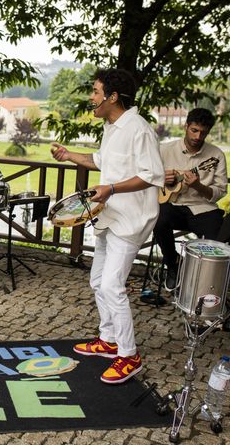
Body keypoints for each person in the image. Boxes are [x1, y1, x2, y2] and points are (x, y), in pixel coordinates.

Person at [51, 68, 164, 384]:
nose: (92, 97)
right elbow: (102, 161)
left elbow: (151, 175)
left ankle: (129, 355)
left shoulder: (139, 129)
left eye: (96, 91)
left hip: (131, 220)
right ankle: (109, 339)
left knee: (113, 285)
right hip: (109, 215)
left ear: (113, 97)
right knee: (98, 280)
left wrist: (112, 188)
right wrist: (68, 154)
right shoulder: (112, 126)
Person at [153, 108, 227, 290]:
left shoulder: (216, 155)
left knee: (219, 237)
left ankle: (206, 283)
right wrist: (161, 178)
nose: (197, 136)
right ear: (186, 126)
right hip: (172, 204)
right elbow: (148, 178)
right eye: (194, 130)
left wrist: (198, 186)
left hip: (203, 208)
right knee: (157, 219)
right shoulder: (164, 150)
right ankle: (173, 265)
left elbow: (220, 191)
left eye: (203, 132)